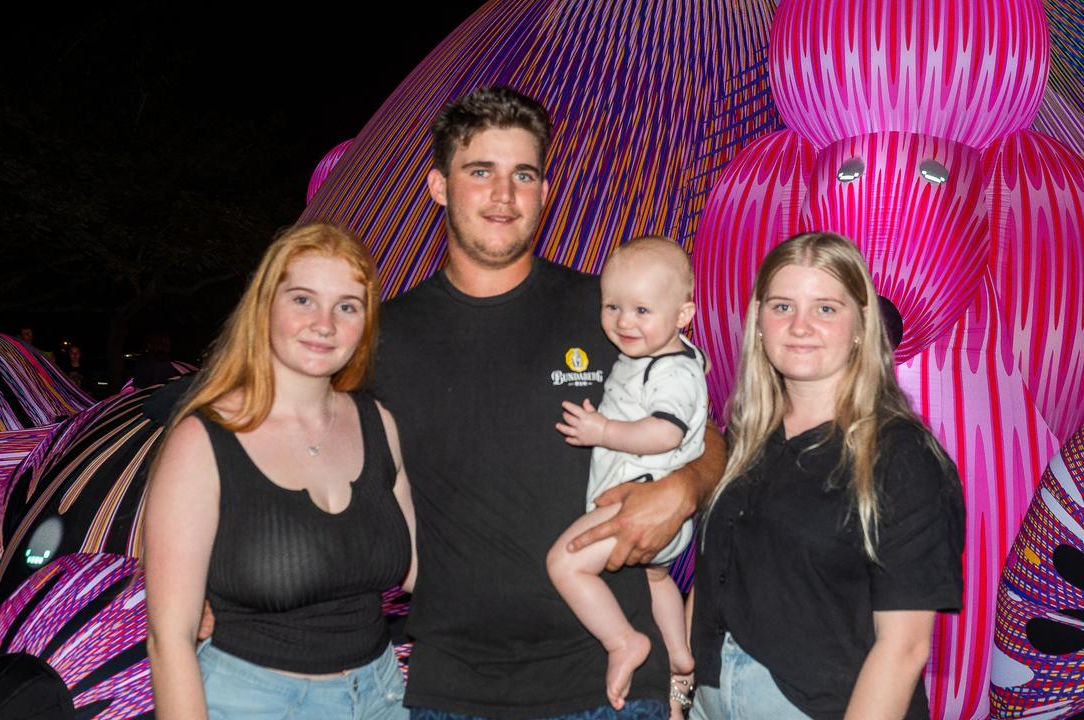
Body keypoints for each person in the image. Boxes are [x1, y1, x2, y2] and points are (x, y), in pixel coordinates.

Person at [371, 85, 725, 719]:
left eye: (523, 175)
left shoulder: (609, 312)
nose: (504, 195)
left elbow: (708, 432)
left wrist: (684, 490)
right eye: (480, 172)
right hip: (450, 686)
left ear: (545, 192)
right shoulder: (382, 336)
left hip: (608, 688)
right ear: (438, 186)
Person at [144, 223, 416, 720]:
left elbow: (426, 571)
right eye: (303, 300)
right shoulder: (203, 441)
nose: (325, 324)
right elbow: (170, 640)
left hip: (381, 696)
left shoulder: (380, 426)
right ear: (265, 305)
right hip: (253, 702)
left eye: (347, 306)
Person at [689, 232, 965, 719]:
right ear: (758, 321)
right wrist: (679, 690)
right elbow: (713, 578)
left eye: (825, 309)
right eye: (781, 307)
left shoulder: (902, 457)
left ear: (861, 325)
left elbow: (903, 651)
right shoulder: (744, 438)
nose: (799, 326)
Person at [547, 236, 705, 713]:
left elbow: (666, 434)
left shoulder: (672, 372)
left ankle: (622, 642)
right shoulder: (656, 356)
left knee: (565, 564)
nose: (622, 321)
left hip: (641, 501)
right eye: (612, 306)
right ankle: (679, 655)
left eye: (641, 310)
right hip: (662, 522)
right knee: (657, 582)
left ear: (682, 316)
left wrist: (603, 429)